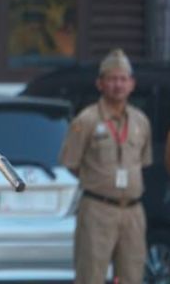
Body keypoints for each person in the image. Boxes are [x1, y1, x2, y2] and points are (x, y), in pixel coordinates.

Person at [59, 48, 152, 284]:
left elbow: (143, 161)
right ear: (100, 83)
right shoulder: (86, 120)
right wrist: (100, 182)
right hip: (98, 208)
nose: (118, 85)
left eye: (123, 79)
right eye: (112, 79)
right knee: (90, 275)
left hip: (133, 211)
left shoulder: (141, 121)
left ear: (132, 84)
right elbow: (71, 163)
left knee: (133, 276)